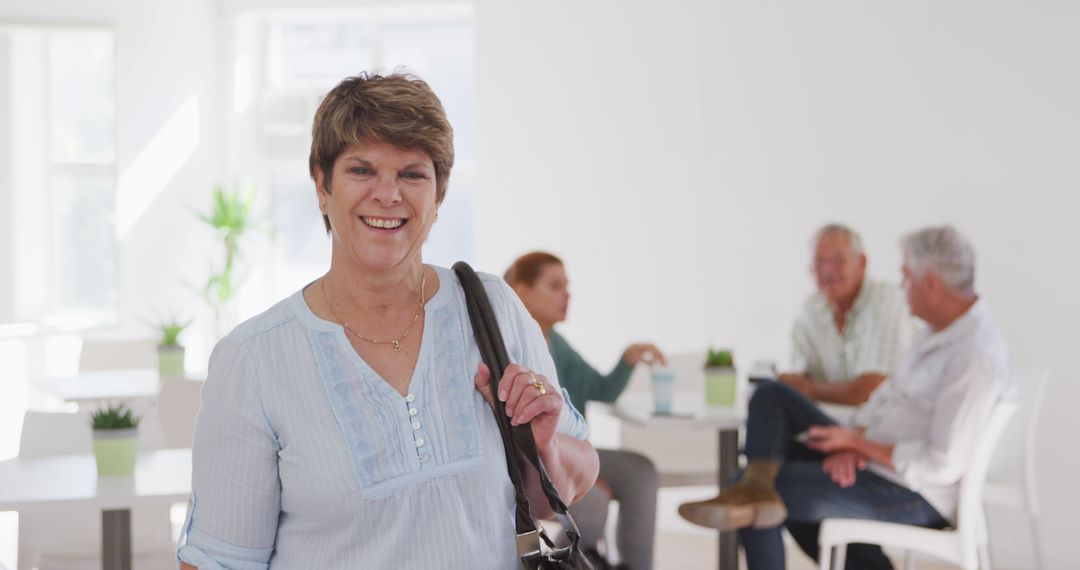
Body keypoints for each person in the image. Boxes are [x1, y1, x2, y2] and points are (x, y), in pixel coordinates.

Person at [176, 72, 599, 569]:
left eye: (413, 174)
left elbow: (575, 474)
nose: (388, 194)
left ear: (438, 195)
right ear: (321, 185)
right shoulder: (253, 361)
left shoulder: (494, 307)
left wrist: (543, 445)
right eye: (362, 170)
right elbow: (218, 561)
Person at [678, 226, 1011, 570]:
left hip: (914, 493)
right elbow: (885, 403)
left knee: (750, 495)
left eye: (906, 278)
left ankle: (757, 487)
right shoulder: (935, 334)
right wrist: (855, 443)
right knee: (771, 395)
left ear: (931, 283)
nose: (902, 287)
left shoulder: (973, 355)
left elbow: (941, 465)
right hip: (876, 458)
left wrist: (860, 447)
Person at [506, 251, 662, 570]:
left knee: (640, 471)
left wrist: (628, 359)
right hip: (533, 468)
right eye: (555, 286)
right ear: (521, 291)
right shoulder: (507, 343)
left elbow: (600, 390)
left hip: (573, 456)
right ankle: (571, 562)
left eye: (567, 285)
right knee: (593, 504)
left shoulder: (558, 344)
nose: (567, 294)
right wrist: (580, 479)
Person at [779, 224, 916, 406]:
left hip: (877, 426)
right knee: (770, 395)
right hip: (827, 423)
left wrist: (811, 389)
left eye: (838, 260)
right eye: (819, 262)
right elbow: (796, 384)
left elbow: (870, 390)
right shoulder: (810, 309)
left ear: (862, 263)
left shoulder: (886, 300)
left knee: (770, 397)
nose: (827, 270)